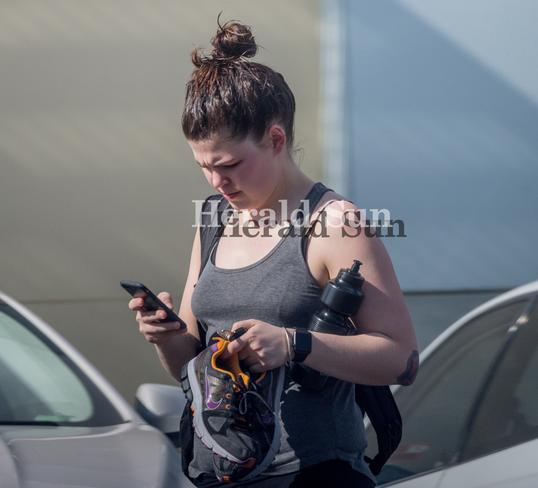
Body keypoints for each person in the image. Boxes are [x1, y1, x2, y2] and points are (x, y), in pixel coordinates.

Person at [128, 17, 418, 487]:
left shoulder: (334, 223)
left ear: (276, 139)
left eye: (230, 165)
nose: (217, 182)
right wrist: (165, 334)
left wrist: (293, 343)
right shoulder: (212, 218)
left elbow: (402, 359)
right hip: (222, 470)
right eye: (203, 167)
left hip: (315, 474)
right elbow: (191, 366)